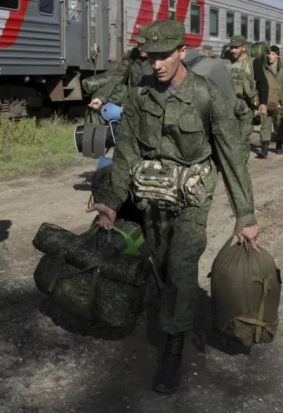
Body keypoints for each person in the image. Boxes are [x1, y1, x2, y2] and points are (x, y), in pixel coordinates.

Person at [87, 20, 260, 394]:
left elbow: (232, 157)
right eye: (152, 58)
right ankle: (172, 308)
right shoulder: (139, 96)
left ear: (183, 51)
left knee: (182, 265)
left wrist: (245, 216)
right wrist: (112, 203)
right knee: (161, 260)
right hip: (152, 194)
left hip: (192, 199)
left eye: (165, 56)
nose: (158, 65)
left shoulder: (207, 95)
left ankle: (174, 345)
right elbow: (126, 152)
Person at [227, 35, 269, 159]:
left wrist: (263, 103)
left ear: (243, 48)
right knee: (230, 137)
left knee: (243, 137)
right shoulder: (227, 62)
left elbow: (262, 83)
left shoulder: (253, 63)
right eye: (231, 48)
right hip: (229, 105)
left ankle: (242, 163)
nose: (232, 50)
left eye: (236, 48)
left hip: (246, 106)